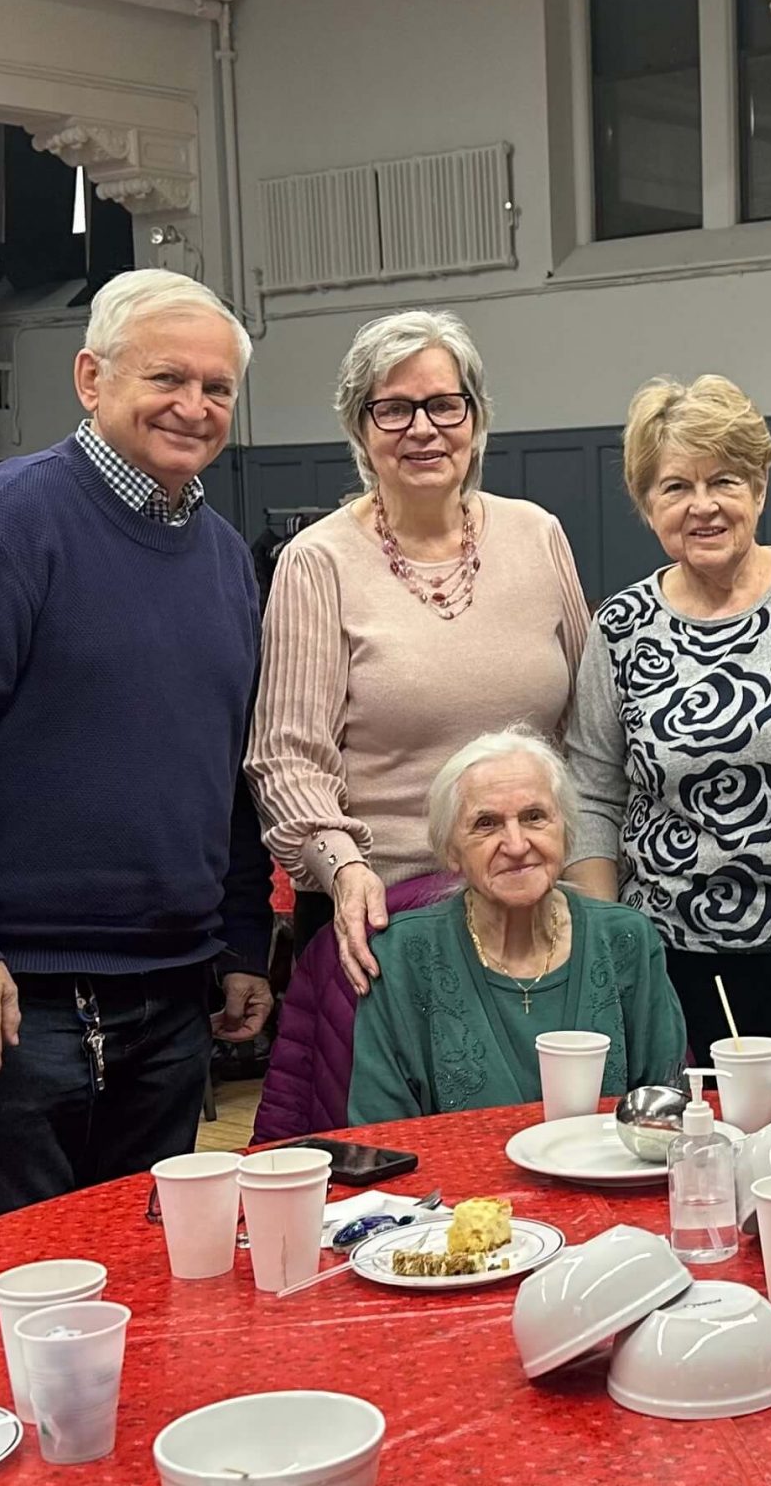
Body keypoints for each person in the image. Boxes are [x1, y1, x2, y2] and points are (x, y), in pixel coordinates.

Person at [0, 268, 273, 1230]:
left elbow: (229, 768)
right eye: (167, 378)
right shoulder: (4, 525)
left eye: (217, 387)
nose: (194, 405)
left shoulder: (224, 557)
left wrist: (242, 937)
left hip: (174, 995)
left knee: (152, 1274)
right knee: (20, 1279)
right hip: (20, 999)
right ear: (92, 378)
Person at [249, 310, 590, 997]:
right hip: (383, 922)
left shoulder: (538, 534)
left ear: (476, 416)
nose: (423, 428)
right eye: (394, 409)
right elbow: (287, 759)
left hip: (534, 912)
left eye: (443, 404)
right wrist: (344, 869)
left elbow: (587, 730)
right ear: (360, 428)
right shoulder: (317, 561)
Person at [567, 376, 771, 1060]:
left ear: (760, 488)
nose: (703, 505)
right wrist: (612, 947)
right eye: (675, 486)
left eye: (724, 480)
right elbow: (592, 796)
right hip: (671, 964)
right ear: (646, 503)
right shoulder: (620, 627)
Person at [349, 729, 687, 1123]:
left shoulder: (626, 940)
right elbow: (380, 1133)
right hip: (454, 1168)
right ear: (451, 851)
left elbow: (666, 1116)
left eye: (534, 817)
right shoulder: (403, 954)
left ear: (566, 831)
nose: (516, 845)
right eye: (486, 823)